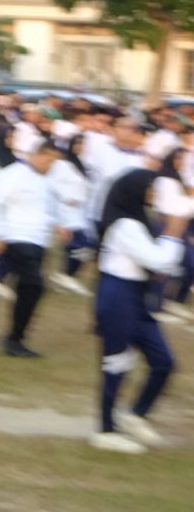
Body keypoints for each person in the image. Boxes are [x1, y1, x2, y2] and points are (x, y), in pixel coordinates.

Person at [88, 168, 180, 455]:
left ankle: (134, 415)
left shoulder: (138, 221)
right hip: (118, 295)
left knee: (163, 361)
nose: (154, 194)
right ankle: (105, 431)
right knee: (116, 364)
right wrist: (173, 234)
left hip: (135, 296)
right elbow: (159, 260)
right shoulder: (125, 225)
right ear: (135, 191)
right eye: (150, 188)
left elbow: (159, 263)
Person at [0, 136, 59, 359]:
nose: (51, 166)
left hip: (38, 240)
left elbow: (44, 209)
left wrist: (56, 225)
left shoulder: (44, 180)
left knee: (28, 289)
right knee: (35, 285)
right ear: (39, 154)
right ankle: (15, 338)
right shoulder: (12, 174)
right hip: (15, 237)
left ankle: (15, 337)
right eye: (49, 161)